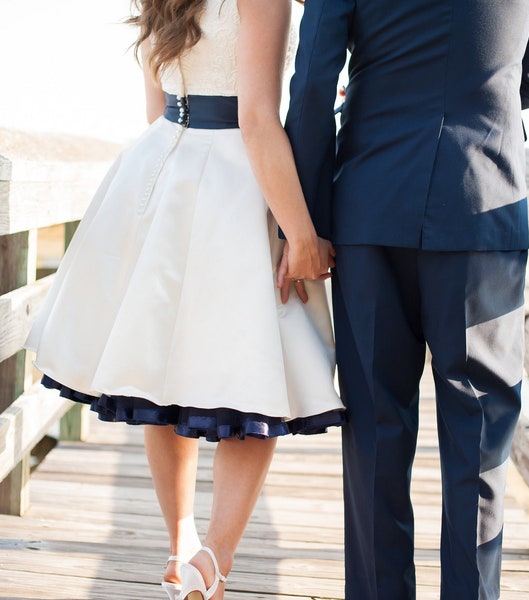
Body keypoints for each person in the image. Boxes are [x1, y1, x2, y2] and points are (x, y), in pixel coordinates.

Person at [24, 1, 344, 599]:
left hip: (160, 167)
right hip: (239, 177)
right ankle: (212, 561)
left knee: (158, 368)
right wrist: (300, 232)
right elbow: (257, 120)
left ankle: (179, 548)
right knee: (252, 370)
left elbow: (156, 109)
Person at [285, 0, 529, 598]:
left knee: (376, 436)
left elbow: (311, 85)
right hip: (481, 203)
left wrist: (305, 226)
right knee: (479, 440)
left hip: (370, 205)